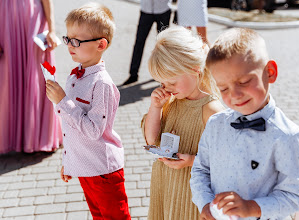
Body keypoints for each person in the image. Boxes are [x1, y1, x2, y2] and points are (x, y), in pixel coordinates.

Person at [190, 28, 299, 219]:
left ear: (270, 72)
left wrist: (252, 207)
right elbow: (200, 169)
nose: (234, 95)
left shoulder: (287, 136)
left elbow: (293, 196)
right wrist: (204, 203)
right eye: (223, 88)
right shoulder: (215, 125)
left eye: (244, 81)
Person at [45, 3, 130, 219]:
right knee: (98, 216)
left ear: (101, 44)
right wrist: (69, 162)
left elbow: (93, 131)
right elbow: (71, 128)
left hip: (103, 171)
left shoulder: (102, 84)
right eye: (68, 39)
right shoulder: (74, 76)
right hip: (86, 168)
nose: (69, 45)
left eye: (76, 41)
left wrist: (63, 101)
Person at [142, 26, 225, 220]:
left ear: (195, 70)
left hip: (191, 195)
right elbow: (151, 139)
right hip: (166, 186)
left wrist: (190, 161)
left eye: (171, 82)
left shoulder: (211, 110)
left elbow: (226, 163)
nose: (167, 89)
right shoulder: (170, 101)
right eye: (161, 83)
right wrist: (155, 108)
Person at [0, 0, 62, 154]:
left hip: (33, 21)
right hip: (5, 23)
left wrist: (52, 30)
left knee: (38, 77)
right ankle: (15, 139)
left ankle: (39, 137)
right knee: (8, 80)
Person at [121, 0, 171, 86]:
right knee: (139, 42)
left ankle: (163, 74)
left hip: (163, 10)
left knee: (163, 45)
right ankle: (133, 74)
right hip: (146, 10)